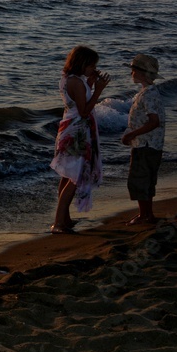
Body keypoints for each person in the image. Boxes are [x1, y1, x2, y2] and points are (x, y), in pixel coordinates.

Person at [50, 46, 110, 233]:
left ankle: (64, 218)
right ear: (82, 63)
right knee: (75, 176)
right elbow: (83, 112)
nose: (94, 68)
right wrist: (99, 90)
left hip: (72, 127)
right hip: (77, 131)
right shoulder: (75, 81)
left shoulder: (71, 79)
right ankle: (59, 223)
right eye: (91, 65)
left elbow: (78, 102)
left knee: (68, 175)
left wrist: (90, 85)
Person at [121, 54, 165, 225]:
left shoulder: (147, 94)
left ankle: (145, 215)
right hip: (152, 144)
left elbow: (154, 121)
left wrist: (131, 134)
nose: (131, 73)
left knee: (140, 180)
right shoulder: (151, 92)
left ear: (141, 73)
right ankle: (147, 214)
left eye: (133, 70)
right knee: (147, 180)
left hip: (145, 144)